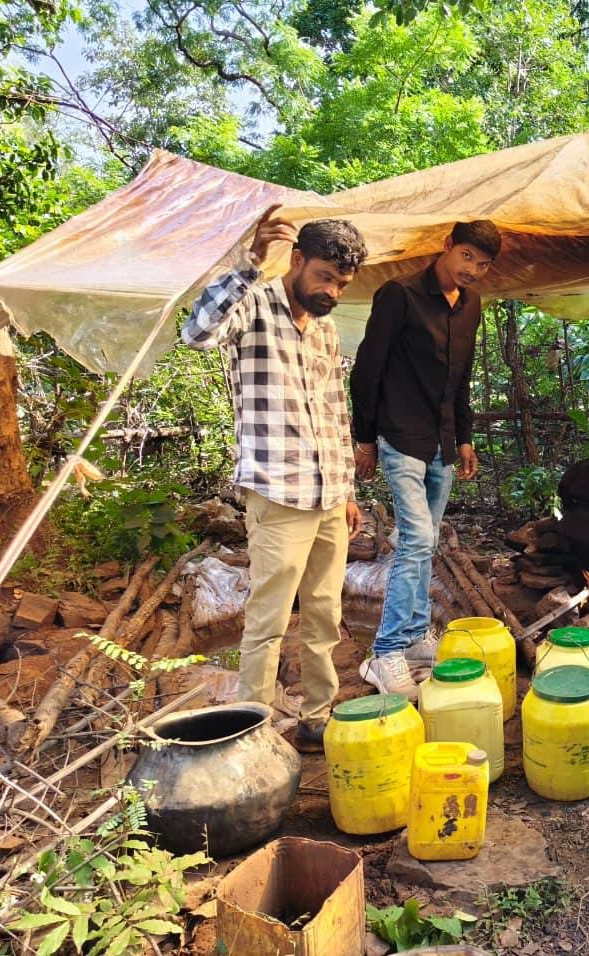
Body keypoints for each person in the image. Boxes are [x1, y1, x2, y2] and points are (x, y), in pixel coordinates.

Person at [182, 210, 366, 753]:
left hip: (328, 496)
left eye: (342, 284)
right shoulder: (254, 304)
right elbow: (197, 332)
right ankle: (253, 732)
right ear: (298, 260)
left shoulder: (325, 329)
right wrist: (251, 264)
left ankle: (316, 717)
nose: (332, 291)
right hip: (278, 493)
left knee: (324, 616)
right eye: (325, 277)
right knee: (267, 621)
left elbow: (335, 411)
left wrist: (348, 490)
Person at [350, 221, 502, 699]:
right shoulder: (400, 295)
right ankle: (386, 651)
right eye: (467, 257)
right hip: (400, 435)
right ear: (447, 247)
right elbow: (367, 370)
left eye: (483, 264)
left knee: (427, 540)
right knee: (416, 539)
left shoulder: (471, 304)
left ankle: (416, 638)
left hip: (443, 440)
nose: (472, 269)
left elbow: (461, 376)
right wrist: (365, 439)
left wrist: (465, 437)